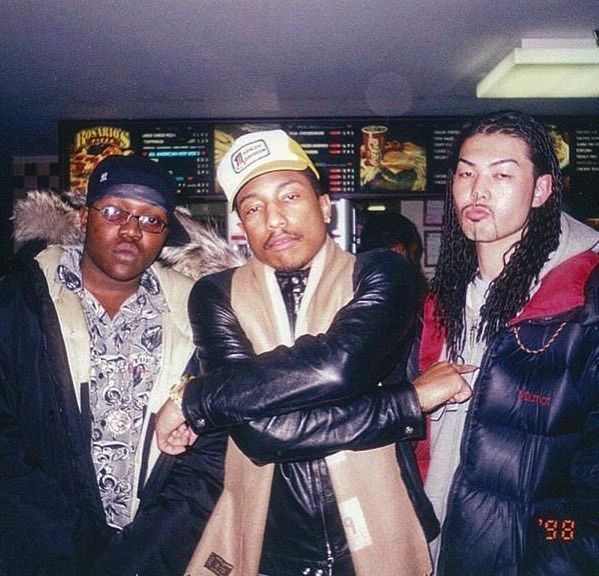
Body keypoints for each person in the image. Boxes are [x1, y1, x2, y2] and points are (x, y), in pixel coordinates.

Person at [156, 129, 471, 576]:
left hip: (380, 534)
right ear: (241, 227)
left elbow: (338, 368)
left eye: (289, 197)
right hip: (266, 548)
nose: (275, 220)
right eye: (254, 208)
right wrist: (407, 402)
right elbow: (259, 436)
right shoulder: (215, 295)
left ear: (324, 206)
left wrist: (195, 398)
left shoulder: (382, 274)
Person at [414, 110, 599, 574]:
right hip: (431, 548)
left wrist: (548, 553)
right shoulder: (442, 303)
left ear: (540, 190)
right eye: (465, 173)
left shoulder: (581, 304)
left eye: (502, 174)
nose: (478, 191)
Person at [0, 154, 200, 575]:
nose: (132, 231)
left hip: (157, 554)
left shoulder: (196, 314)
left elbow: (208, 453)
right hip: (42, 551)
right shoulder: (20, 301)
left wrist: (151, 547)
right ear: (83, 219)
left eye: (152, 220)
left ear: (165, 236)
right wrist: (64, 540)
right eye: (114, 212)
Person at [359, 209, 428, 304]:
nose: (415, 262)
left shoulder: (352, 275)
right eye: (413, 253)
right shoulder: (402, 289)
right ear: (399, 249)